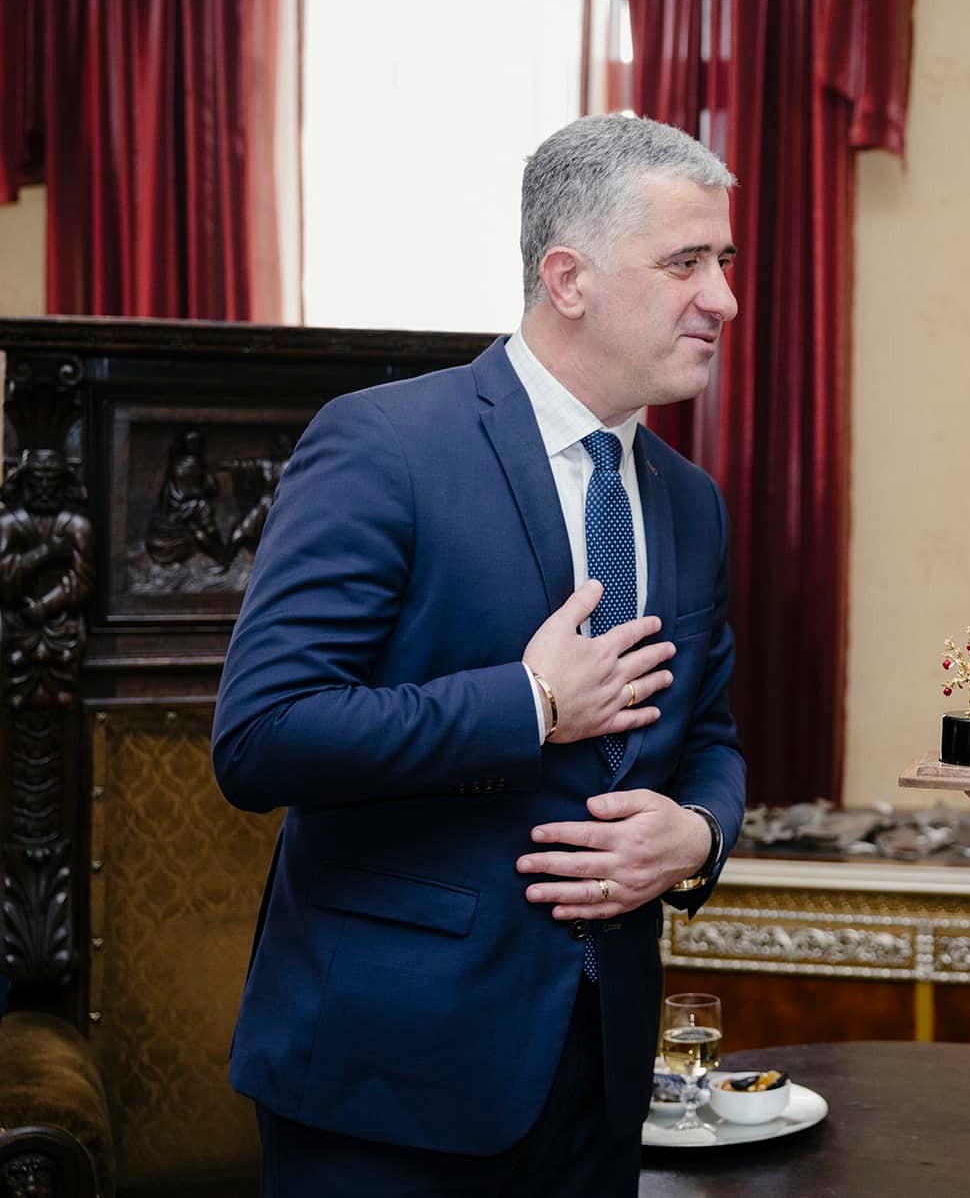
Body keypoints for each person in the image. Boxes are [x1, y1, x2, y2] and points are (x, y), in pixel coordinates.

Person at [213, 114, 748, 1196]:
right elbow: (262, 736)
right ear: (568, 277)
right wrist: (532, 701)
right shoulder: (385, 444)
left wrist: (695, 834)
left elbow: (713, 738)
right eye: (686, 262)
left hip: (601, 1077)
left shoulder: (691, 502)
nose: (724, 299)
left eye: (725, 261)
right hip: (387, 1084)